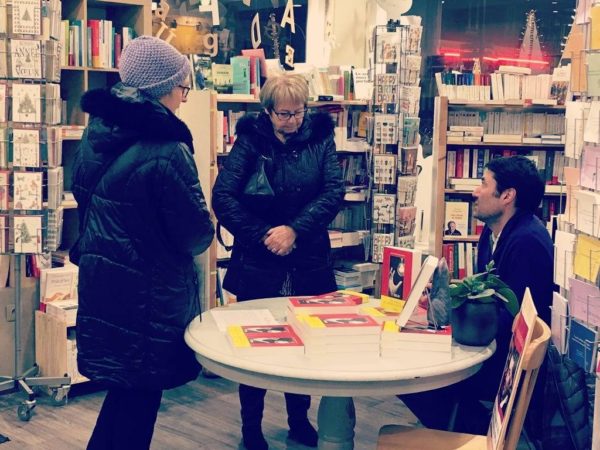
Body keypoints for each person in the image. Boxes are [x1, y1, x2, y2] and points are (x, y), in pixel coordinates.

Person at [70, 36, 214, 450]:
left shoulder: (98, 131)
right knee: (139, 400)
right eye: (182, 88)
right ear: (162, 89)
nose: (184, 98)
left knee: (126, 394)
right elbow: (194, 234)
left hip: (106, 280)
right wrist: (208, 220)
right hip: (148, 292)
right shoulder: (167, 149)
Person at [212, 73, 344, 450]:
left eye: (299, 112)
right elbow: (224, 198)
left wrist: (295, 230)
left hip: (308, 256)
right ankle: (250, 429)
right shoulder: (250, 139)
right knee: (252, 346)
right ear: (267, 111)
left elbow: (334, 191)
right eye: (284, 114)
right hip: (259, 257)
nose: (293, 121)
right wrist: (265, 235)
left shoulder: (321, 136)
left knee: (305, 342)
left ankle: (299, 422)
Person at [400, 155, 554, 434]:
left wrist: (452, 316)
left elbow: (509, 319)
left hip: (502, 363)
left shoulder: (526, 241)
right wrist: (446, 298)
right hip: (485, 345)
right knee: (411, 366)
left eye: (483, 183)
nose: (475, 191)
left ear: (507, 195)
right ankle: (464, 427)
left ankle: (476, 432)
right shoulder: (492, 232)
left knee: (409, 377)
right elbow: (485, 295)